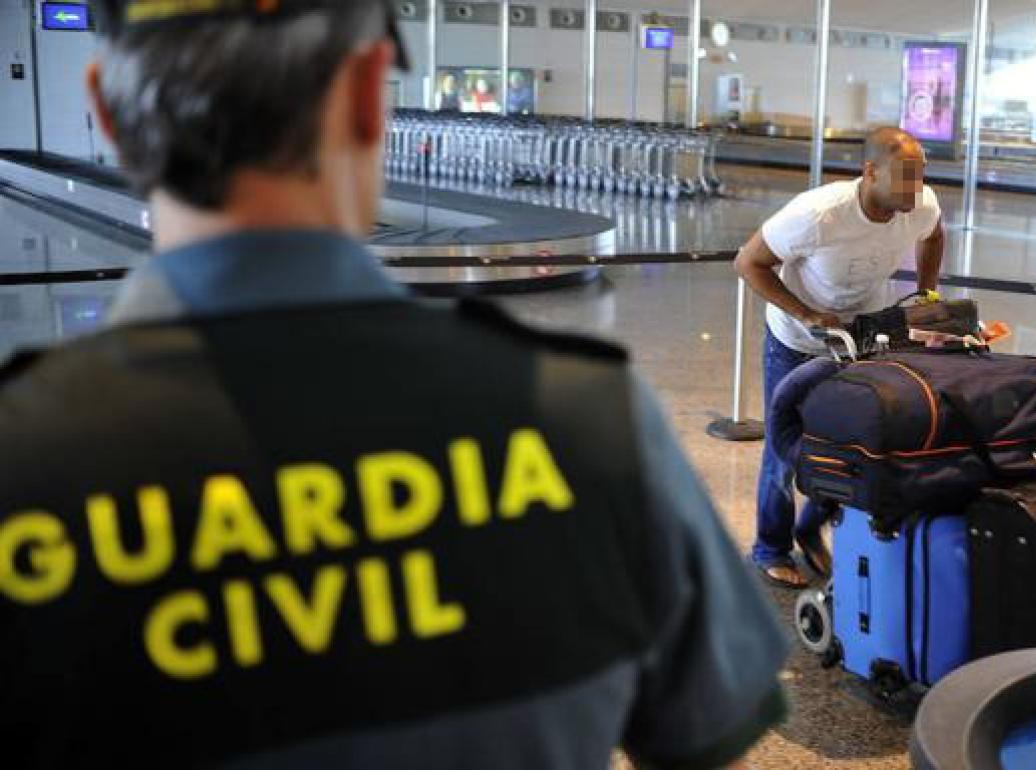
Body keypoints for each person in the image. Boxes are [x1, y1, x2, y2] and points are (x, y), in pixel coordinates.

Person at [0, 2, 789, 767]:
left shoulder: (22, 461)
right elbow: (707, 732)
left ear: (103, 107)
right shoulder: (586, 424)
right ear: (371, 91)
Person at [735, 126, 946, 589]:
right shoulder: (819, 214)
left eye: (922, 177)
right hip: (796, 342)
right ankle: (770, 546)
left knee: (854, 444)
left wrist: (927, 292)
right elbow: (748, 262)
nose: (917, 189)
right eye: (906, 178)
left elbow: (933, 236)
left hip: (863, 339)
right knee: (785, 451)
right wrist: (805, 312)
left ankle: (811, 528)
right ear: (870, 172)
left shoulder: (920, 204)